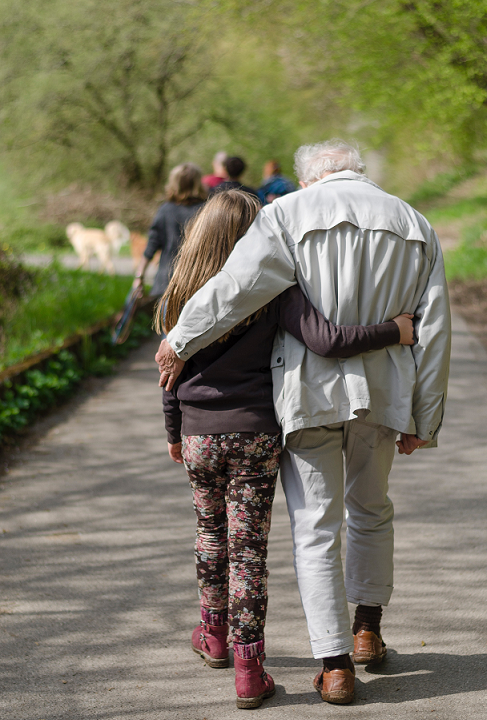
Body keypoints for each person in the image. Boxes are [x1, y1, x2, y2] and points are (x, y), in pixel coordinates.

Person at [155, 140, 451, 705]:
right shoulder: (415, 223)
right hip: (385, 393)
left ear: (309, 179)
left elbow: (234, 290)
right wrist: (425, 417)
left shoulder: (285, 215)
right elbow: (433, 329)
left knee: (316, 528)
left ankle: (335, 667)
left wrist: (179, 339)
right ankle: (368, 629)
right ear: (358, 172)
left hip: (308, 393)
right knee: (373, 510)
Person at [133, 163, 207, 299]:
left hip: (166, 282)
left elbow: (151, 245)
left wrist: (139, 277)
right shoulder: (207, 210)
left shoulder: (165, 210)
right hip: (198, 283)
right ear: (198, 183)